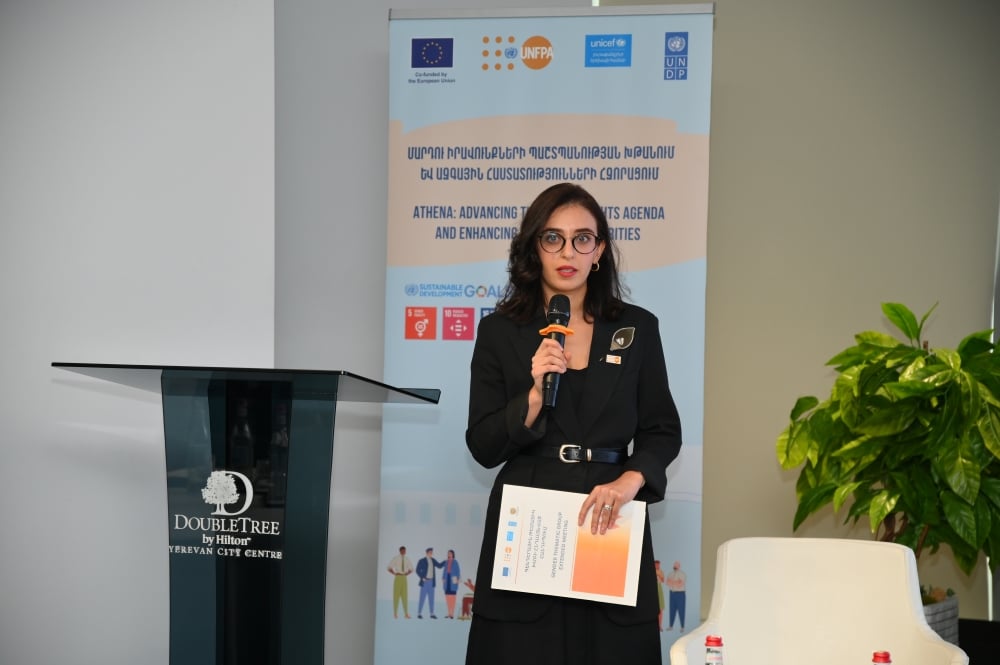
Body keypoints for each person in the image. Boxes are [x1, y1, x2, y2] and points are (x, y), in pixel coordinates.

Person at [464, 183, 683, 665]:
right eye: (553, 239)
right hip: (532, 521)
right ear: (533, 248)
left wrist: (630, 480)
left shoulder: (637, 327)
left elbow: (662, 429)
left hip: (609, 517)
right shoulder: (500, 331)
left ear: (600, 250)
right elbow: (482, 444)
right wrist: (536, 393)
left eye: (583, 238)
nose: (568, 252)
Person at [416, 547, 444, 619]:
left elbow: (439, 566)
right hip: (425, 581)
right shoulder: (422, 560)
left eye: (432, 552)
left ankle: (432, 614)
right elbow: (417, 570)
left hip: (431, 582)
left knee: (431, 598)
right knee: (422, 598)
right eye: (430, 552)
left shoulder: (433, 560)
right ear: (427, 553)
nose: (432, 553)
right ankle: (419, 613)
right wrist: (422, 577)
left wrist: (446, 561)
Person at [386, 545, 413, 619]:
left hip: (404, 578)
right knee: (396, 596)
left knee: (405, 596)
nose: (404, 552)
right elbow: (388, 567)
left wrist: (407, 573)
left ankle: (406, 614)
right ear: (400, 551)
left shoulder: (407, 559)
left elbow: (411, 568)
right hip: (398, 577)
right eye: (403, 550)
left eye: (405, 551)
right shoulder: (396, 558)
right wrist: (394, 573)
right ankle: (395, 613)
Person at [666, 560, 686, 633]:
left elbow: (681, 584)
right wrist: (676, 582)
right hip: (672, 593)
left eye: (676, 565)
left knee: (681, 610)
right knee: (672, 610)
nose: (675, 566)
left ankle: (682, 626)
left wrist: (673, 582)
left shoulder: (682, 574)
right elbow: (667, 582)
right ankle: (671, 626)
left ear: (679, 566)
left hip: (680, 594)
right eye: (674, 565)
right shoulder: (670, 574)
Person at [442, 549, 462, 618]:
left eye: (450, 553)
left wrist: (458, 580)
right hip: (447, 581)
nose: (448, 554)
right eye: (448, 553)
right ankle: (449, 613)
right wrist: (443, 578)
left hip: (453, 582)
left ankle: (452, 613)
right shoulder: (446, 562)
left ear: (453, 554)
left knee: (452, 598)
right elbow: (444, 571)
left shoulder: (455, 562)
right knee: (447, 598)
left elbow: (458, 572)